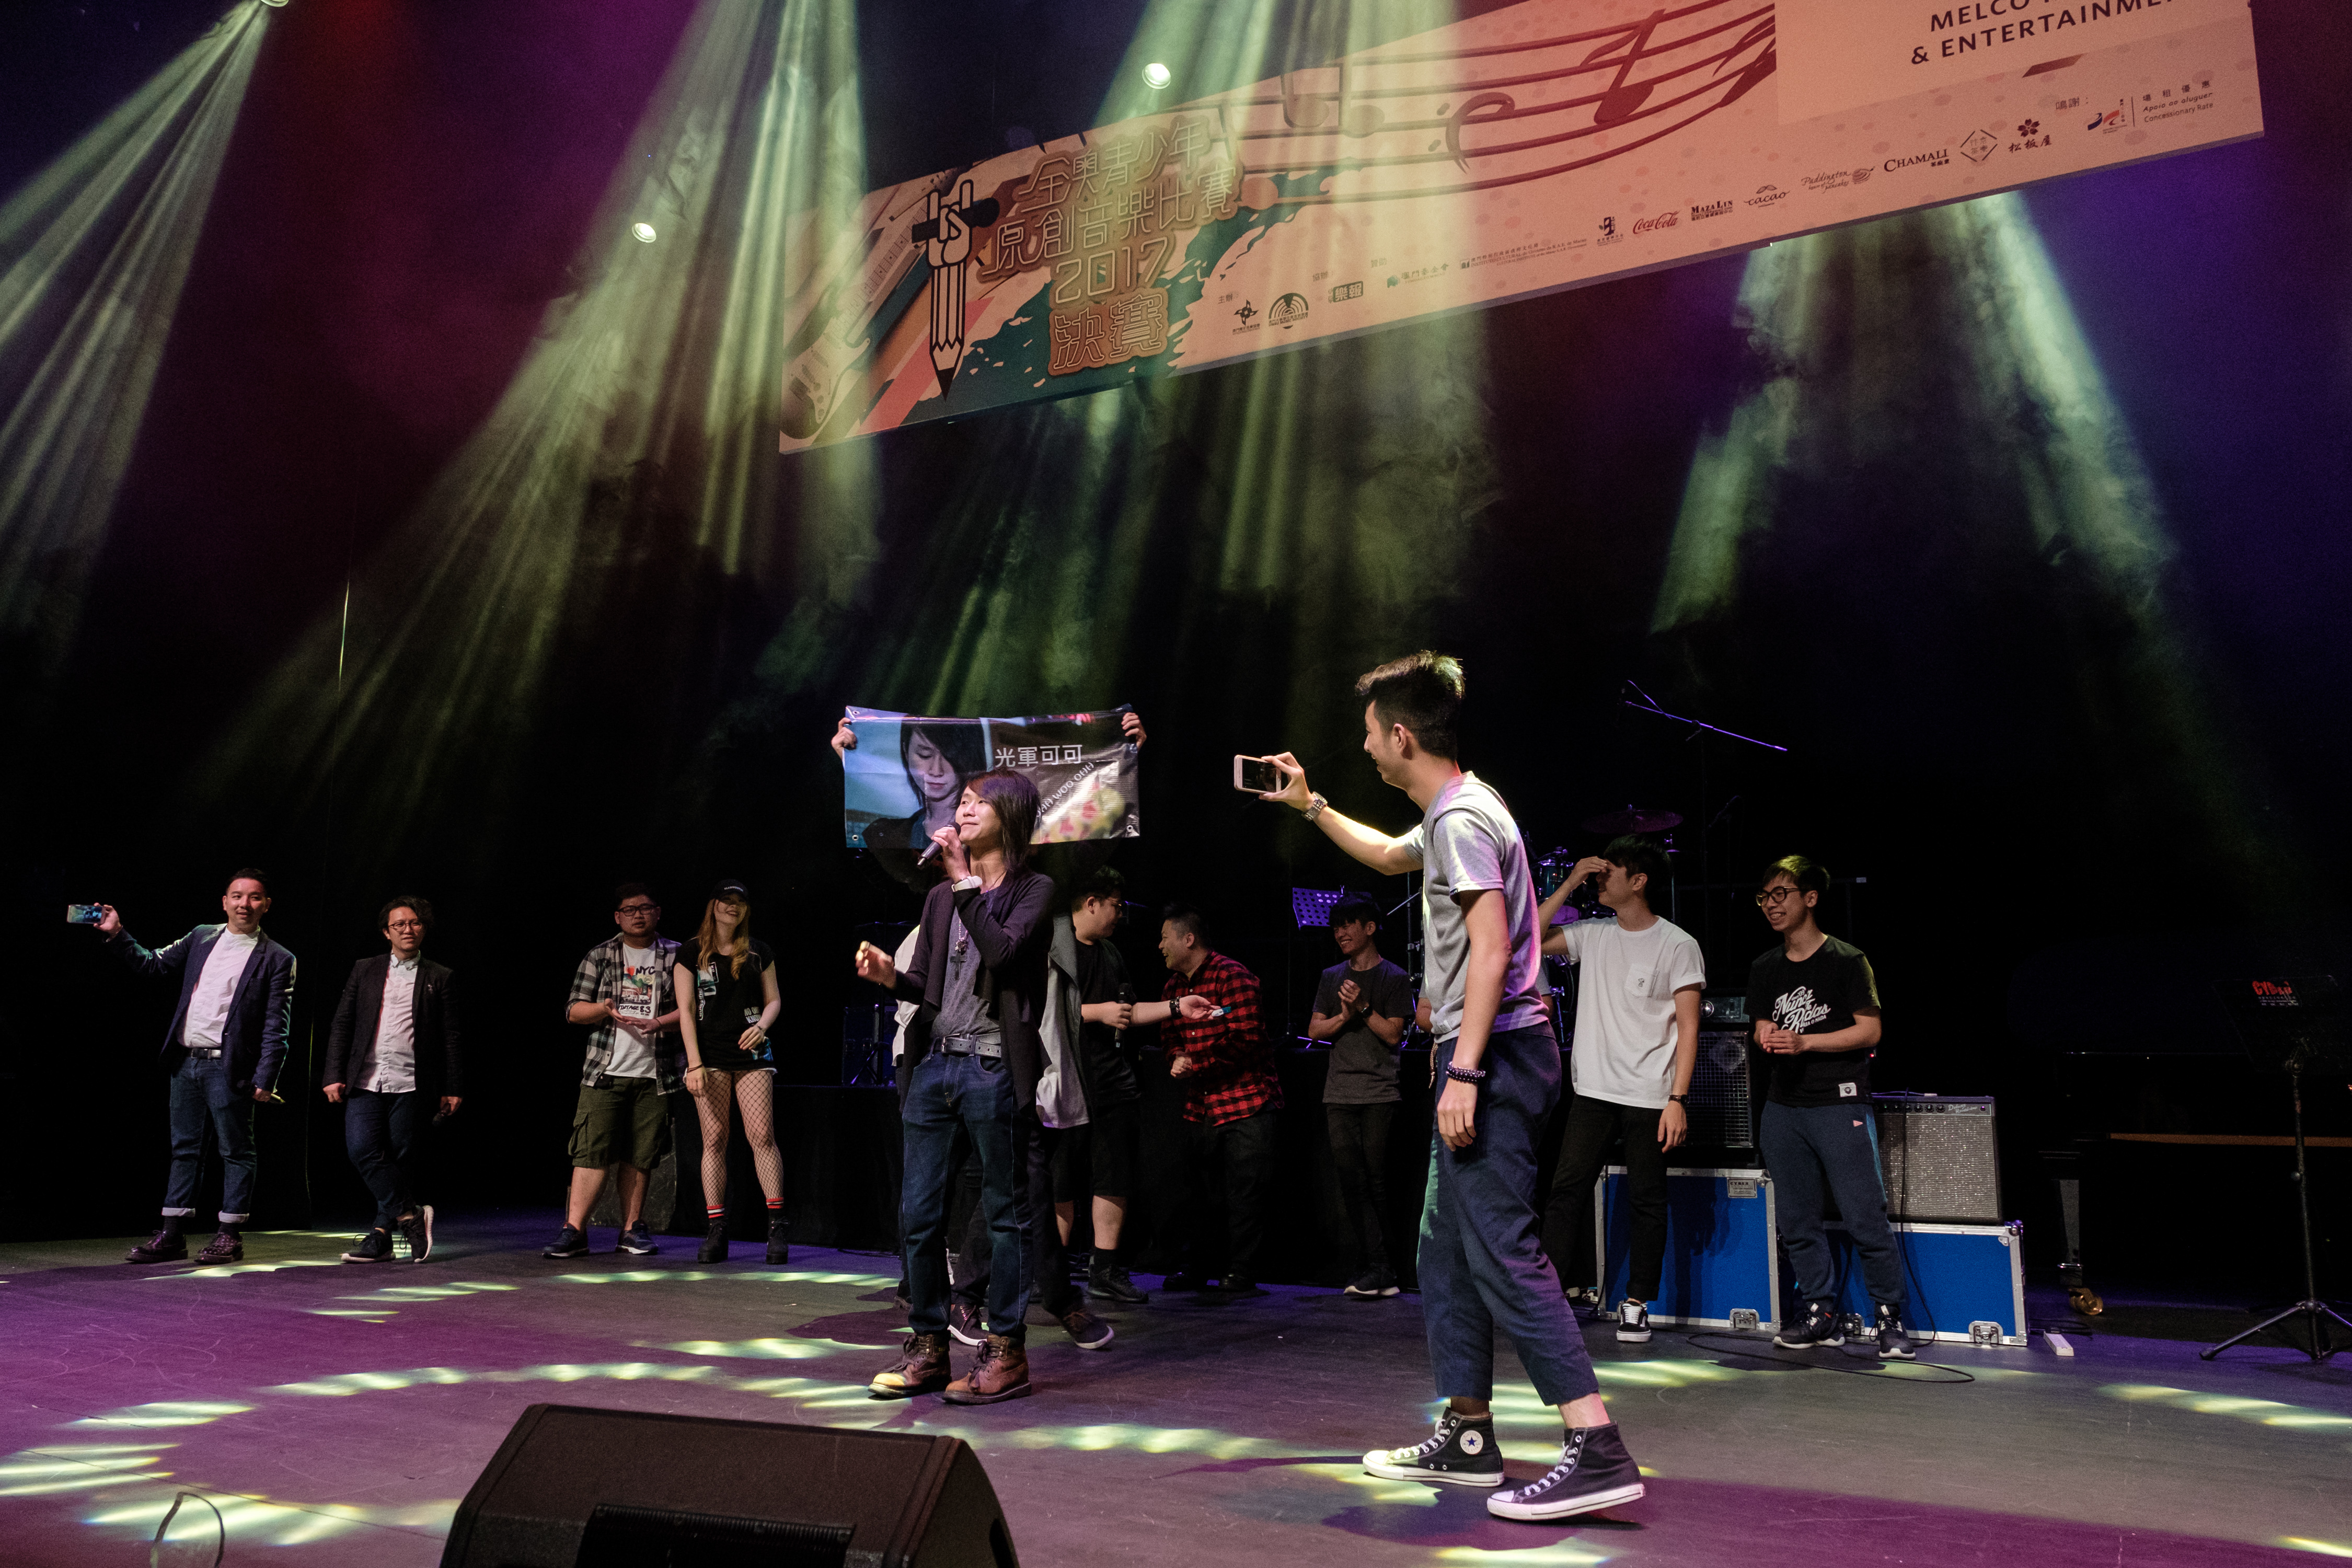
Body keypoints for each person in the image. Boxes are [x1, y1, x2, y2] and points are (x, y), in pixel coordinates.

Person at [1262, 651, 1645, 1523]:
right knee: (1443, 1247)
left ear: (1401, 735)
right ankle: (1469, 1432)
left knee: (1503, 1246)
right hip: (1485, 1050)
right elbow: (1388, 856)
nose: (1366, 749)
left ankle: (1596, 1445)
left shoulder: (1465, 818)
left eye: (1369, 735)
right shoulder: (1452, 814)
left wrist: (1464, 1068)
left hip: (1496, 1053)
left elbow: (1494, 947)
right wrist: (1311, 804)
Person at [855, 770, 1064, 1404]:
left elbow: (1003, 955)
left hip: (993, 1067)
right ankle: (927, 1346)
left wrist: (963, 882)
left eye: (977, 804)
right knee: (918, 1216)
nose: (964, 812)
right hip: (936, 1066)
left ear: (1011, 815)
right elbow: (925, 985)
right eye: (963, 803)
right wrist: (891, 977)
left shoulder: (1035, 890)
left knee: (1004, 1216)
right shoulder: (942, 899)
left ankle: (1006, 1353)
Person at [1535, 836, 1706, 1345]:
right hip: (1593, 1091)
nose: (1598, 879)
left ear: (1639, 881)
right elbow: (1523, 939)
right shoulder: (1594, 934)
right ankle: (1546, 1302)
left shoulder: (1677, 944)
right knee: (1565, 1191)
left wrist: (1678, 1099)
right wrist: (1569, 881)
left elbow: (1689, 1029)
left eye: (1609, 872)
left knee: (1647, 1200)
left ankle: (1637, 1303)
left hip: (1651, 1095)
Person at [1748, 856, 1911, 1359]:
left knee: (1864, 1217)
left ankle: (1889, 1318)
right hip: (1783, 1107)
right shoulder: (1765, 967)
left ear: (1811, 898)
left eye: (1781, 895)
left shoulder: (1846, 960)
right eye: (1765, 897)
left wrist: (1806, 1043)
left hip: (1839, 1103)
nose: (1771, 905)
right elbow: (1760, 1025)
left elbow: (1871, 1030)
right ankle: (1820, 1312)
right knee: (1797, 1220)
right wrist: (1767, 1035)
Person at [97, 870, 298, 1266]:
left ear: (267, 905)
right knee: (184, 1149)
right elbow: (153, 965)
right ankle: (172, 1234)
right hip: (185, 1061)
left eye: (254, 897)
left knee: (236, 1150)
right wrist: (117, 933)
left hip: (228, 1068)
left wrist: (266, 1077)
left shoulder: (278, 957)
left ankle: (229, 1235)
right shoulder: (202, 936)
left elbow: (277, 1024)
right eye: (237, 896)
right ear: (224, 901)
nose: (244, 904)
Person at [322, 896, 463, 1264]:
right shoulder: (365, 969)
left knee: (401, 1160)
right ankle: (411, 1216)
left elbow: (450, 1036)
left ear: (424, 928)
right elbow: (342, 1023)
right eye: (399, 924)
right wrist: (334, 1074)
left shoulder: (439, 975)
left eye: (414, 923)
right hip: (366, 1078)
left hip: (412, 1082)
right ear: (387, 932)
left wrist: (452, 1086)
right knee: (361, 1150)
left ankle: (381, 1237)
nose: (407, 930)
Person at [549, 884, 682, 1260]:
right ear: (617, 917)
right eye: (629, 910)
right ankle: (575, 1230)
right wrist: (603, 1009)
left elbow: (693, 1012)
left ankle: (632, 1229)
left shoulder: (678, 955)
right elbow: (573, 1010)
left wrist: (659, 1022)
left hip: (656, 1073)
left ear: (658, 912)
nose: (638, 915)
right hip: (605, 1071)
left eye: (646, 908)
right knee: (590, 1151)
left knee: (641, 1155)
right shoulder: (601, 955)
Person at [1157, 904, 1282, 1297]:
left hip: (1246, 1102)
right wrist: (1176, 1056)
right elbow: (1169, 1037)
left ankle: (1242, 1273)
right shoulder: (1173, 989)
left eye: (1165, 937)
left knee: (1245, 1194)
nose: (1160, 946)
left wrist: (1197, 1062)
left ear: (1188, 939)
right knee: (1199, 1195)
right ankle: (1197, 1269)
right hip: (1202, 1106)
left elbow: (1247, 1036)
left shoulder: (1232, 976)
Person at [1308, 892, 1413, 1299]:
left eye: (1348, 924)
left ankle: (1384, 1268)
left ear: (1370, 928)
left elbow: (1393, 1035)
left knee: (1377, 1180)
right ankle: (1376, 1266)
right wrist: (1343, 1016)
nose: (1340, 933)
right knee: (1351, 1181)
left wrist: (1365, 1008)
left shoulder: (1394, 977)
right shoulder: (1331, 976)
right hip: (1340, 1092)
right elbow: (1315, 1029)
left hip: (1379, 1092)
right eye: (1336, 926)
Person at [676, 881, 786, 1264]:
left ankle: (777, 1227)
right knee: (714, 1139)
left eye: (740, 902)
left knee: (762, 1135)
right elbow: (686, 1011)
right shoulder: (691, 952)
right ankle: (717, 1229)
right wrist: (694, 1063)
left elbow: (774, 1000)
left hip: (752, 1052)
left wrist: (763, 1026)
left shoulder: (759, 951)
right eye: (727, 901)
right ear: (713, 905)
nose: (733, 907)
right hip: (710, 1056)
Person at [1055, 866, 1150, 1305]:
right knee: (1061, 1181)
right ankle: (1051, 1273)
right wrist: (1098, 1012)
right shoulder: (1055, 943)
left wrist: (1176, 1006)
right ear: (1091, 903)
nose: (1120, 914)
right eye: (1115, 905)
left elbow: (1127, 1011)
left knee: (1114, 1176)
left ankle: (1105, 1270)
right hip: (1067, 1080)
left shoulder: (1111, 953)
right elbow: (1042, 1008)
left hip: (1113, 1082)